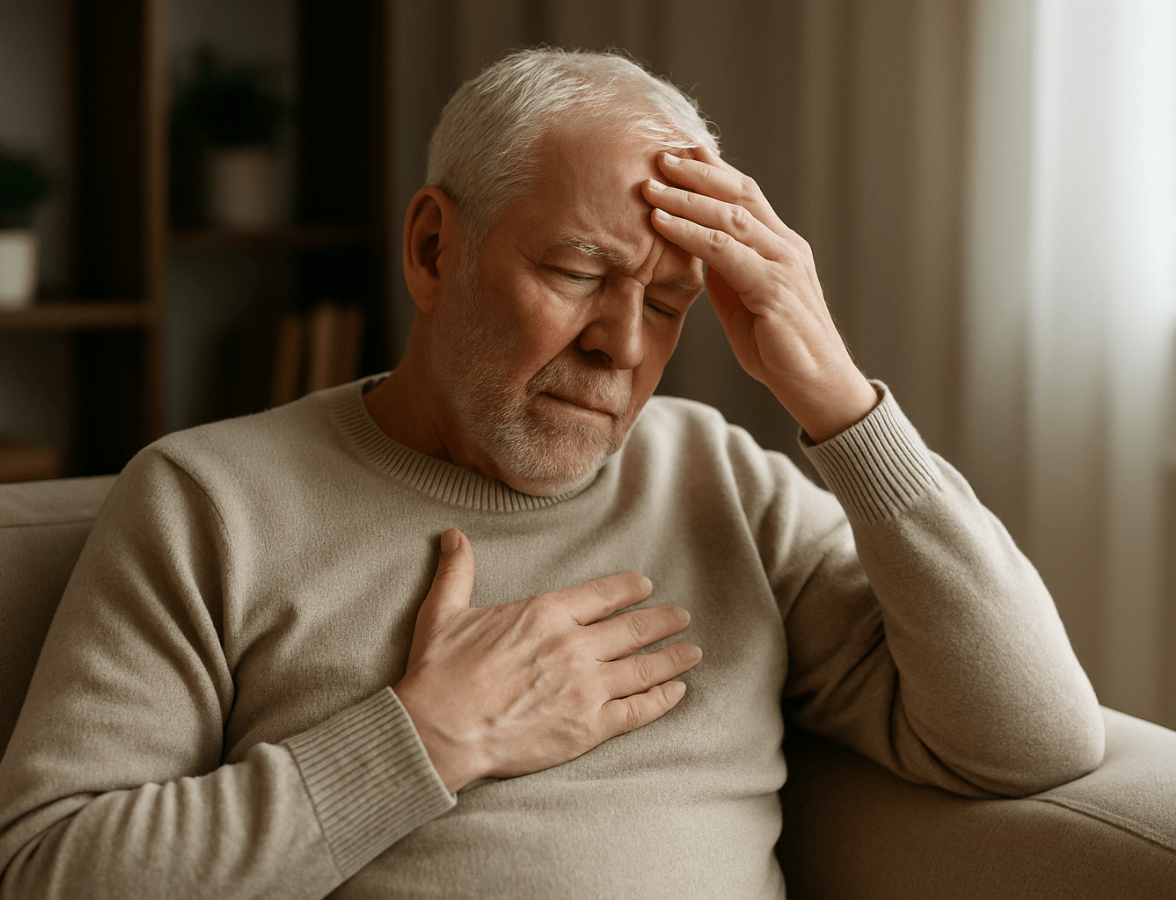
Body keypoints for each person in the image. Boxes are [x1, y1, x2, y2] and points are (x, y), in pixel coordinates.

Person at [0, 48, 1103, 899]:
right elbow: (53, 867)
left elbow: (1036, 740)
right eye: (579, 272)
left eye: (669, 304)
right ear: (435, 249)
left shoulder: (722, 480)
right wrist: (421, 742)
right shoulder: (207, 503)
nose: (622, 345)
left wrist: (843, 406)